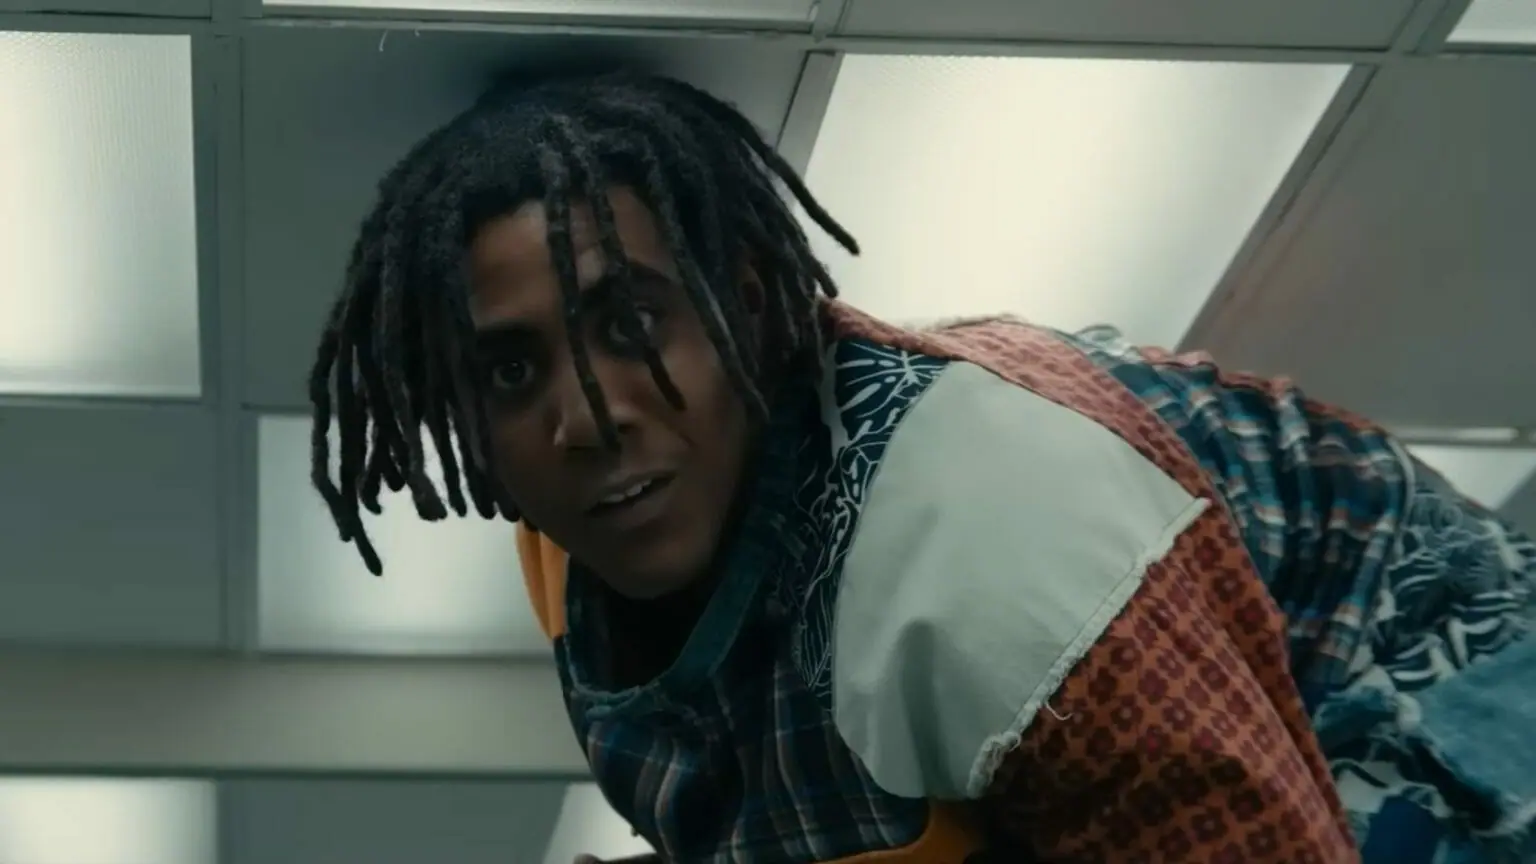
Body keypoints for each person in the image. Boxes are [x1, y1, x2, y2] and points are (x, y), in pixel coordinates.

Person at [307, 68, 1536, 863]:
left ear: (750, 310)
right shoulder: (578, 548)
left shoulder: (995, 558)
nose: (586, 417)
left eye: (631, 323)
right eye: (509, 371)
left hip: (1436, 694)